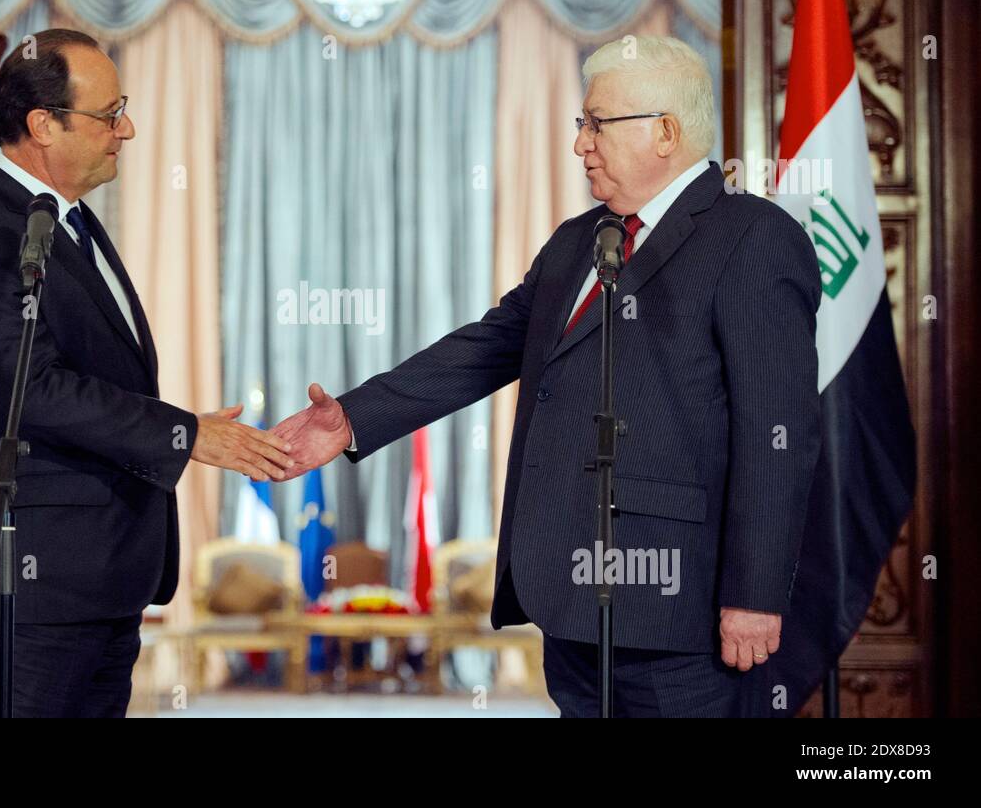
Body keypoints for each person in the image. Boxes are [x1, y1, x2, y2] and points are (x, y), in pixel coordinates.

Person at [272, 35, 821, 717]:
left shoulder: (752, 237)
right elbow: (488, 347)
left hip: (683, 616)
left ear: (666, 132)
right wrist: (355, 416)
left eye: (597, 123)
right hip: (573, 609)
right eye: (579, 124)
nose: (580, 143)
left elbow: (781, 434)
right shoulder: (579, 240)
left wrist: (756, 594)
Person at [0, 28, 293, 717]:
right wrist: (185, 435)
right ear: (43, 125)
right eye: (108, 114)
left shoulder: (68, 224)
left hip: (98, 582)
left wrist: (185, 429)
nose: (126, 129)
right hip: (32, 586)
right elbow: (32, 391)